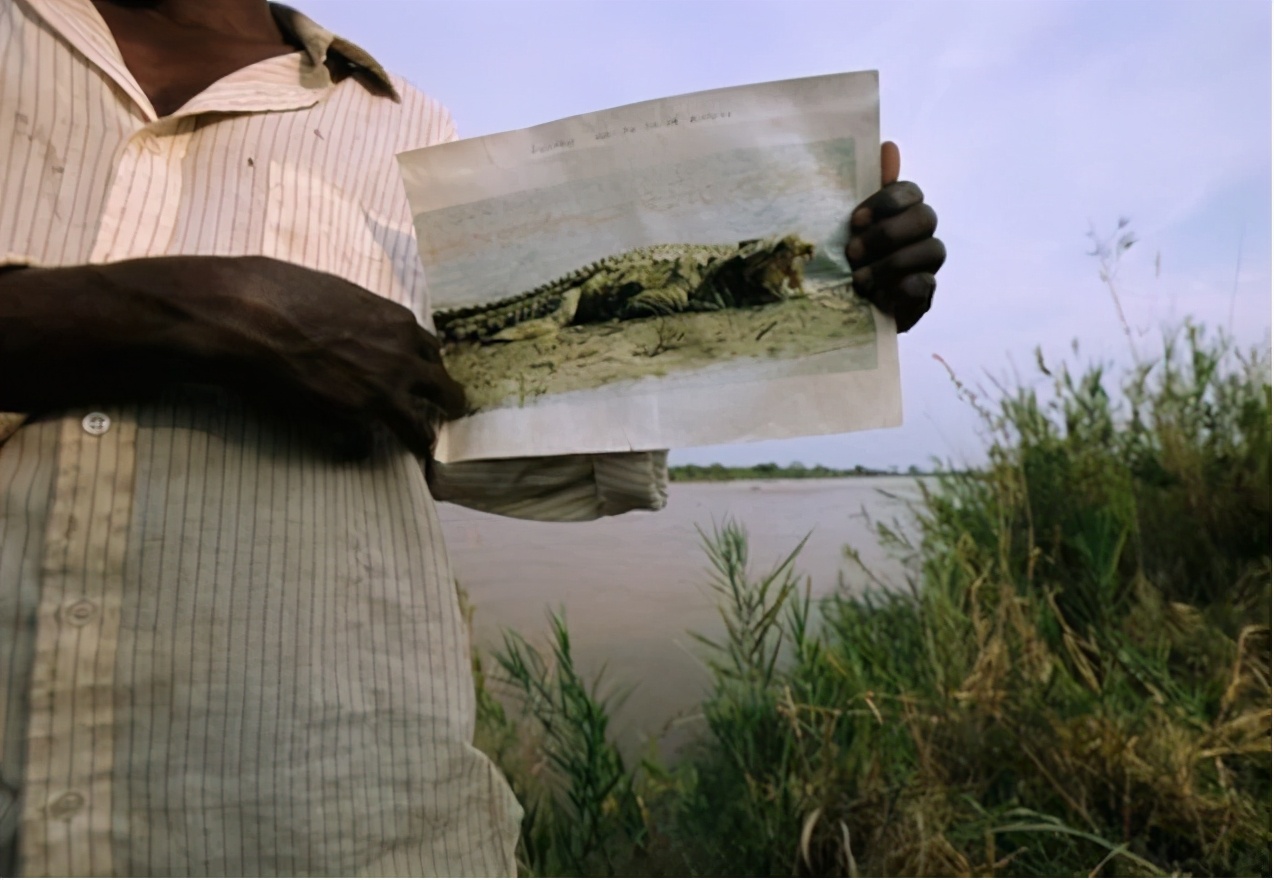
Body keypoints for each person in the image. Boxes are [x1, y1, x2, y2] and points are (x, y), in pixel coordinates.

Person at [0, 0, 946, 875]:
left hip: (352, 830)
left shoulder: (408, 130)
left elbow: (478, 441)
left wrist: (836, 305)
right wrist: (193, 312)